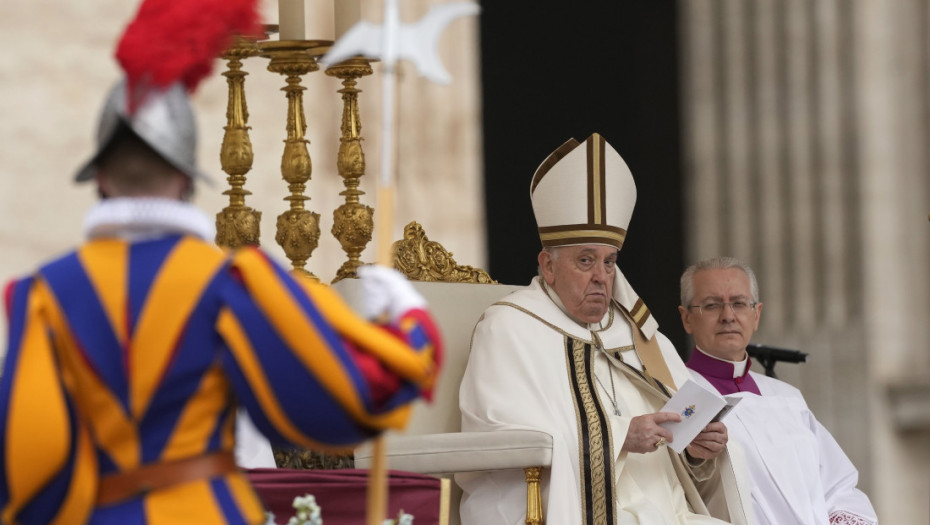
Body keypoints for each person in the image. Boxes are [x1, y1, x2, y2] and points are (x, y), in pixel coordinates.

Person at [0, 5, 441, 523]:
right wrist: (408, 325)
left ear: (98, 179)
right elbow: (333, 411)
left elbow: (28, 463)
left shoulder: (41, 294)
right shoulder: (230, 281)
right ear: (187, 181)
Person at [458, 133, 751, 525]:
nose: (601, 277)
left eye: (610, 262)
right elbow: (502, 442)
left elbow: (682, 451)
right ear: (547, 266)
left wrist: (697, 450)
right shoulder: (509, 328)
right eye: (585, 261)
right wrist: (619, 437)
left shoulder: (639, 336)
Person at [679, 256, 878, 525]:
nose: (728, 316)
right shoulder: (675, 394)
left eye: (739, 303)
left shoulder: (788, 398)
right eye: (712, 305)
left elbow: (838, 487)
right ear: (686, 318)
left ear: (756, 314)